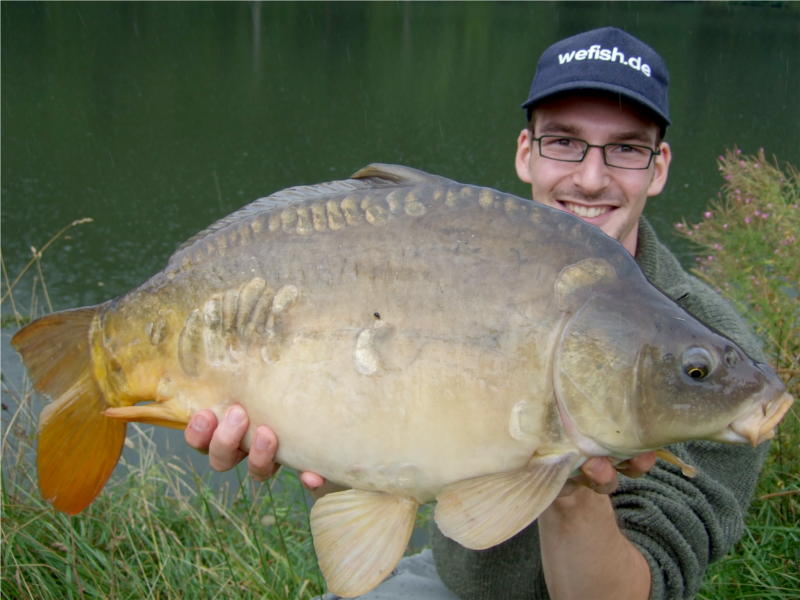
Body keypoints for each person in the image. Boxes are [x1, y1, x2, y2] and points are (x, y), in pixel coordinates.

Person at [185, 27, 768, 600]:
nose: (591, 178)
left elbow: (644, 586)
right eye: (564, 141)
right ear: (526, 153)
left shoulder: (706, 356)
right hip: (453, 586)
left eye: (626, 148)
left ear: (658, 166)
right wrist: (309, 447)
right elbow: (377, 456)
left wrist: (569, 486)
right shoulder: (460, 263)